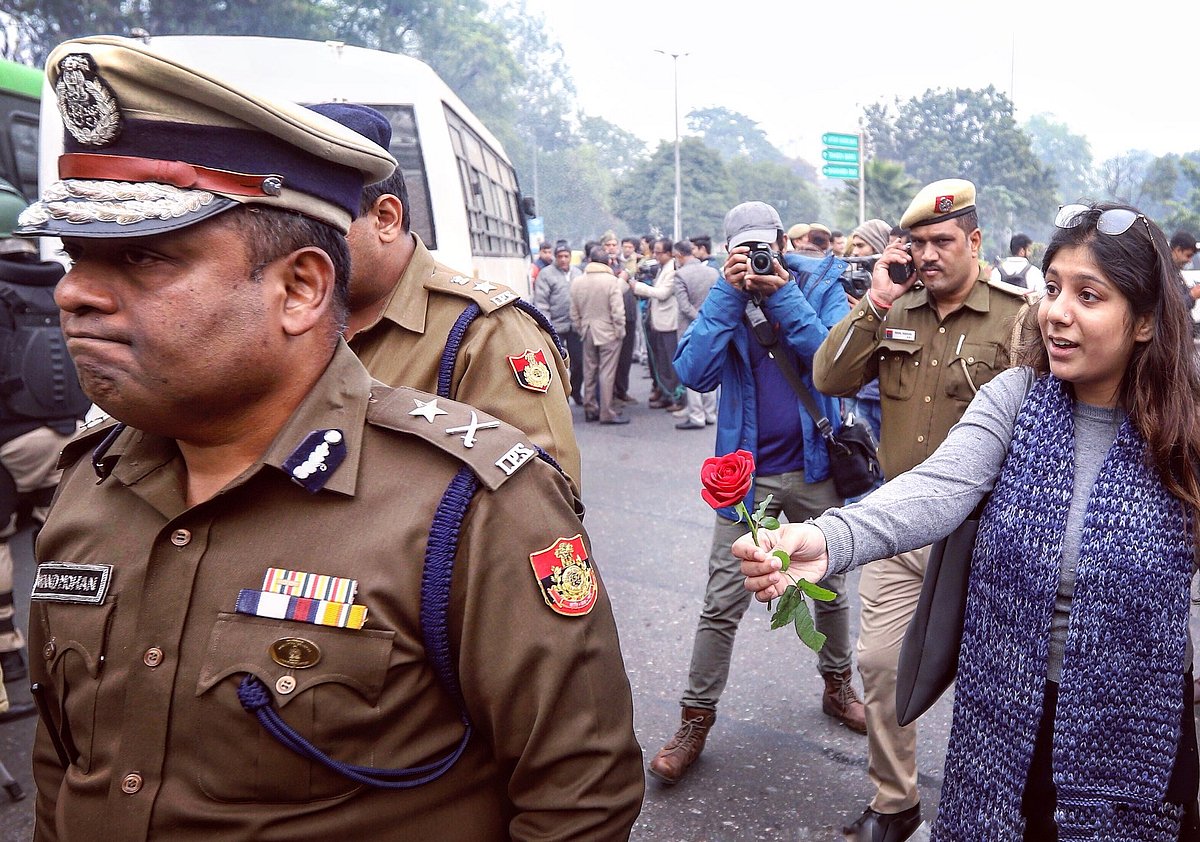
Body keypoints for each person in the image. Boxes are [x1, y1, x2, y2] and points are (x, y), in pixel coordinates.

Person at [20, 35, 643, 841]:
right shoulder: (85, 484)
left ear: (302, 288)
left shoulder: (472, 507)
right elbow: (64, 767)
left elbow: (578, 801)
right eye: (76, 256)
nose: (74, 294)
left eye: (143, 258)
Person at [740, 201, 1200, 841]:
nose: (1058, 313)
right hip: (1009, 721)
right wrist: (826, 537)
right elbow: (935, 486)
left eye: (1088, 296)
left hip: (1139, 731)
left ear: (1146, 321)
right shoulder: (1016, 400)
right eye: (1054, 288)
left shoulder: (1186, 431)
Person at [813, 179, 1031, 840]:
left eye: (942, 242)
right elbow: (830, 377)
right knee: (880, 668)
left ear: (974, 241)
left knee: (992, 683)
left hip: (980, 535)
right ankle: (895, 801)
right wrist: (875, 302)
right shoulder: (896, 308)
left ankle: (992, 806)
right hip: (898, 526)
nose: (929, 255)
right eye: (918, 244)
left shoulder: (1017, 317)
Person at [645, 200, 864, 787]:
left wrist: (782, 291)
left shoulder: (819, 280)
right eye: (742, 251)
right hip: (746, 477)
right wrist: (727, 295)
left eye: (762, 246)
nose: (755, 259)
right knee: (722, 603)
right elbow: (692, 372)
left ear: (781, 241)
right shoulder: (725, 296)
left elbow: (830, 361)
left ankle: (837, 685)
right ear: (727, 251)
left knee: (832, 590)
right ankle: (695, 720)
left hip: (815, 466)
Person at [339, 117, 581, 504]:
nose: (289, 246)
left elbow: (541, 506)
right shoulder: (287, 322)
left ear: (385, 219)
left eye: (316, 223)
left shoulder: (487, 332)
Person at [0, 181, 89, 692]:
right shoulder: (63, 284)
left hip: (7, 442)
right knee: (58, 545)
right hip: (67, 437)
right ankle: (67, 646)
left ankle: (9, 655)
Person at [570, 245, 629, 425]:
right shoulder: (611, 281)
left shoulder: (577, 281)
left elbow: (574, 312)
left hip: (587, 330)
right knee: (607, 373)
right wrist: (620, 331)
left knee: (590, 371)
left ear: (590, 260)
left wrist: (581, 328)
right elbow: (617, 310)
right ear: (608, 262)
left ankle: (590, 408)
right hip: (609, 331)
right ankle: (607, 411)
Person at [669, 239, 718, 430]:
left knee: (691, 370)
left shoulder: (680, 275)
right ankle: (711, 413)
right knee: (711, 368)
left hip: (689, 328)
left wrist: (698, 319)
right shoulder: (713, 272)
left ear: (680, 255)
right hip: (712, 327)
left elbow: (683, 305)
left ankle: (697, 415)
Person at [532, 240, 584, 406]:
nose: (563, 259)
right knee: (558, 364)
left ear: (570, 257)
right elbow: (542, 303)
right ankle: (561, 397)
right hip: (555, 327)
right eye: (560, 256)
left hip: (575, 326)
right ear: (555, 257)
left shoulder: (578, 273)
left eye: (566, 256)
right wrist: (547, 327)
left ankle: (576, 390)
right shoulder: (546, 274)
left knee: (579, 362)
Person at [636, 237, 684, 411]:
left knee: (671, 363)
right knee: (661, 362)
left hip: (668, 323)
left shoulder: (673, 270)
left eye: (658, 252)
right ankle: (666, 394)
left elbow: (663, 293)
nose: (655, 255)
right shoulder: (661, 268)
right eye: (654, 251)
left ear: (669, 253)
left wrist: (638, 287)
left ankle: (678, 398)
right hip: (658, 322)